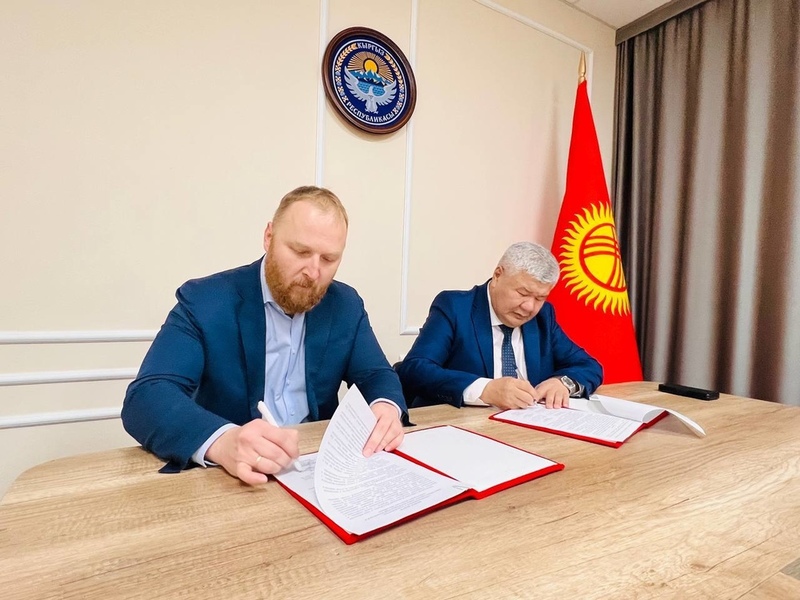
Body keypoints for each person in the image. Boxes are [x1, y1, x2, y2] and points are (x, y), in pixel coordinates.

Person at [122, 186, 406, 485]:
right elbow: (148, 396)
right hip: (230, 477)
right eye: (300, 252)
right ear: (269, 237)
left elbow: (376, 375)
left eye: (328, 259)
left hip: (316, 467)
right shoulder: (206, 300)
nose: (313, 272)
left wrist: (385, 407)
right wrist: (223, 441)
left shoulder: (345, 305)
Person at [397, 242, 602, 410]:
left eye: (540, 298)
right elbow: (415, 369)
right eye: (522, 293)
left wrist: (563, 383)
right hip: (465, 430)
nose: (529, 307)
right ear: (497, 275)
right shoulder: (455, 307)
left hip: (529, 430)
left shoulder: (543, 316)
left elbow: (589, 366)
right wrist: (484, 389)